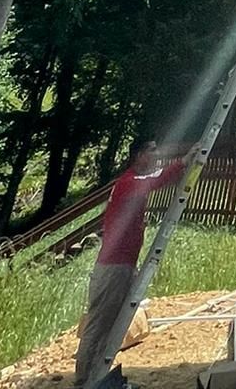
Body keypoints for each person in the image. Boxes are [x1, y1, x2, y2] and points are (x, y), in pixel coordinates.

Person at [74, 139, 189, 386]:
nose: (156, 155)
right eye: (151, 150)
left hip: (120, 265)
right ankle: (84, 380)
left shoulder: (130, 182)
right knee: (99, 325)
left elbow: (153, 178)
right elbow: (154, 181)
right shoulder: (128, 183)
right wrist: (184, 162)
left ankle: (96, 377)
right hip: (113, 268)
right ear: (138, 156)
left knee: (110, 324)